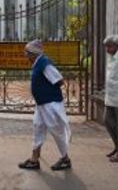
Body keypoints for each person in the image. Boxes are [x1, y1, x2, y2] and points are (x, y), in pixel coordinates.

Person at [18, 40, 72, 171]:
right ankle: (34, 159)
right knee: (38, 127)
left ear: (33, 53)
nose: (26, 55)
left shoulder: (44, 64)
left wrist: (47, 91)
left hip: (50, 104)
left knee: (57, 131)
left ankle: (65, 159)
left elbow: (59, 81)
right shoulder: (38, 63)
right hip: (42, 104)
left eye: (27, 53)